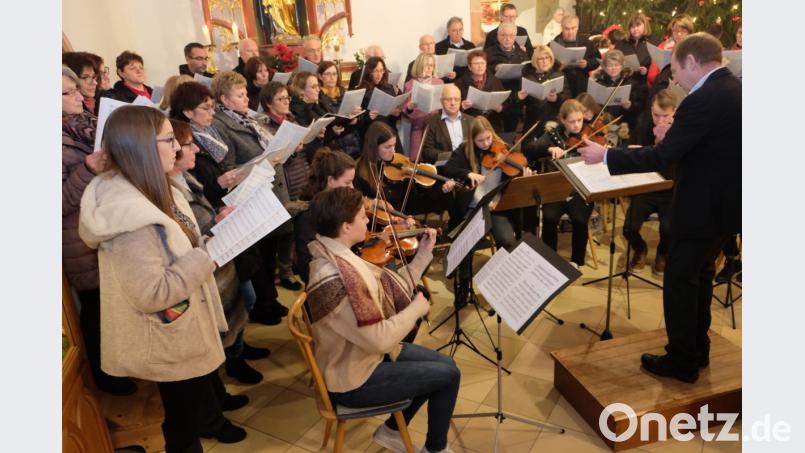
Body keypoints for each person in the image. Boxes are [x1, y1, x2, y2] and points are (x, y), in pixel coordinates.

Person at [79, 106, 246, 452]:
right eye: (170, 139)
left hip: (185, 323)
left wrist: (210, 240)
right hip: (168, 333)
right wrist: (207, 255)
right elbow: (152, 293)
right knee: (182, 426)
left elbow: (182, 242)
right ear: (141, 147)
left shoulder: (156, 186)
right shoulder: (128, 215)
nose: (180, 148)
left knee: (186, 412)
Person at [578, 33, 741, 383]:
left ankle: (681, 360)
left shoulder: (703, 98)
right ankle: (698, 348)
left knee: (680, 279)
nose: (674, 77)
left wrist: (605, 155)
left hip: (702, 206)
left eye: (677, 68)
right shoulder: (736, 89)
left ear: (692, 62)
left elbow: (662, 156)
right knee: (700, 274)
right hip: (727, 206)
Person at [305, 186, 460, 453]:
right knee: (447, 375)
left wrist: (423, 254)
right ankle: (435, 449)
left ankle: (391, 432)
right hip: (353, 378)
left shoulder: (339, 255)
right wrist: (416, 309)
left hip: (364, 356)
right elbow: (379, 340)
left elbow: (391, 286)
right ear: (345, 227)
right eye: (362, 217)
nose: (369, 220)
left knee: (445, 366)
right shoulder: (337, 278)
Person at [170, 81, 291, 330]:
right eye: (205, 108)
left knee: (253, 264)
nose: (211, 113)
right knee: (238, 279)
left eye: (211, 107)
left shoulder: (210, 132)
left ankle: (259, 309)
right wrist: (220, 182)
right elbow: (199, 182)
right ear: (187, 111)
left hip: (229, 201)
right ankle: (245, 329)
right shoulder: (185, 137)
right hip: (214, 213)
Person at [167, 119, 270, 386]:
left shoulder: (185, 177)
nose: (196, 150)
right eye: (189, 145)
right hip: (206, 266)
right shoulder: (169, 190)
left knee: (243, 301)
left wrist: (221, 215)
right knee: (224, 318)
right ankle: (230, 365)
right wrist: (216, 222)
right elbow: (189, 234)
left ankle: (238, 350)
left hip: (221, 259)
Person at [62, 65, 136, 396]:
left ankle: (124, 363)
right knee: (96, 309)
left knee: (115, 303)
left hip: (105, 223)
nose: (80, 95)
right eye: (68, 93)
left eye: (77, 89)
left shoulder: (83, 125)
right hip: (78, 236)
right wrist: (89, 168)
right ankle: (106, 377)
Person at [210, 71, 306, 321]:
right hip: (251, 193)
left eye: (245, 94)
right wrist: (261, 164)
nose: (246, 100)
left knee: (270, 249)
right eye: (240, 96)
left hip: (270, 186)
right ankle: (263, 305)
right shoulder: (221, 124)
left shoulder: (248, 118)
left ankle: (270, 299)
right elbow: (228, 165)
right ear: (224, 99)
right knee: (260, 255)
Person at [442, 116, 536, 305]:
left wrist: (524, 173)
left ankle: (504, 282)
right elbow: (448, 168)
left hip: (498, 207)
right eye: (480, 140)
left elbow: (516, 174)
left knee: (508, 241)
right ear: (472, 139)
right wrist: (467, 173)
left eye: (488, 138)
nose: (485, 143)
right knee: (466, 243)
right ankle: (464, 285)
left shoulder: (504, 148)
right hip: (474, 207)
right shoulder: (464, 151)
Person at [527, 99, 595, 268]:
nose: (577, 125)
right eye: (572, 121)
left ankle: (577, 260)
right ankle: (550, 259)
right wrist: (548, 149)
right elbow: (530, 149)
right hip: (555, 190)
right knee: (549, 218)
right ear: (563, 120)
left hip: (580, 190)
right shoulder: (552, 135)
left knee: (580, 219)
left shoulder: (590, 134)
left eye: (580, 120)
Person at [622, 89, 678, 276]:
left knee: (669, 228)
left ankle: (663, 253)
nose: (660, 120)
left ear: (674, 112)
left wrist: (664, 145)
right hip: (645, 188)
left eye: (665, 116)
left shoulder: (681, 132)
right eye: (656, 115)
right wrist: (634, 153)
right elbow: (627, 154)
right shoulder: (642, 129)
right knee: (629, 227)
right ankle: (640, 249)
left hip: (671, 189)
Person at [354, 121, 457, 220]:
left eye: (394, 145)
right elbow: (358, 210)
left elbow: (414, 205)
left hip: (402, 223)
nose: (393, 151)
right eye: (387, 147)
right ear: (373, 147)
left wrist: (440, 190)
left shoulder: (400, 164)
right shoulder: (358, 171)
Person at [295, 148, 356, 284]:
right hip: (326, 280)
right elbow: (307, 269)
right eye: (347, 182)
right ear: (330, 181)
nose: (352, 187)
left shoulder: (338, 203)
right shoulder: (308, 216)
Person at [518, 44, 571, 138]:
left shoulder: (559, 75)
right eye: (541, 59)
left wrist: (556, 98)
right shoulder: (528, 77)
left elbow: (568, 99)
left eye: (547, 58)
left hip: (553, 120)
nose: (545, 61)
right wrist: (520, 98)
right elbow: (520, 104)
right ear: (535, 60)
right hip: (533, 121)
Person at [485, 22, 529, 136]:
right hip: (497, 95)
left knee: (510, 132)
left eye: (510, 35)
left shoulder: (522, 54)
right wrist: (494, 68)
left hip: (515, 97)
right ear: (498, 36)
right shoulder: (489, 53)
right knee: (495, 132)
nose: (507, 38)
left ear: (515, 37)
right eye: (504, 35)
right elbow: (482, 72)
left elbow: (528, 73)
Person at [589, 49, 648, 130]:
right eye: (610, 65)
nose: (613, 68)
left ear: (622, 66)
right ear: (605, 67)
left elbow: (641, 105)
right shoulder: (599, 83)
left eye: (616, 65)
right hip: (603, 124)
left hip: (625, 124)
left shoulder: (632, 83)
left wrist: (630, 105)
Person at [402, 53, 445, 159]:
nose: (430, 68)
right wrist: (410, 108)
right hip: (419, 128)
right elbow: (405, 110)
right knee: (417, 160)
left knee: (436, 160)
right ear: (419, 66)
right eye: (427, 65)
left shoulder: (439, 82)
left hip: (436, 128)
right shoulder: (410, 84)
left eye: (432, 65)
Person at [317, 61, 363, 156]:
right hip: (333, 144)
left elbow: (351, 114)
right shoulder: (318, 96)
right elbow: (324, 120)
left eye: (334, 74)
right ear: (320, 77)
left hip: (352, 140)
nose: (332, 77)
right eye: (328, 74)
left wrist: (355, 118)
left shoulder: (342, 91)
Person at [455, 50, 506, 133]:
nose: (480, 66)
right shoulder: (460, 83)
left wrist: (500, 108)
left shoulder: (495, 81)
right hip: (471, 124)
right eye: (476, 64)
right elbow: (454, 107)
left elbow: (505, 103)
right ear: (469, 67)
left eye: (482, 63)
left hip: (492, 123)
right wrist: (462, 106)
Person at [422, 84, 474, 164]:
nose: (453, 103)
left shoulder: (471, 121)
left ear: (460, 101)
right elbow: (427, 151)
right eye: (449, 99)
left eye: (456, 99)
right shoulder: (430, 123)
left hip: (468, 166)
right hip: (443, 169)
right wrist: (450, 156)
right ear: (441, 101)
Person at [553, 15, 600, 97]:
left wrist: (587, 63)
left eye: (573, 28)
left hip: (581, 83)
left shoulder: (586, 42)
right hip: (562, 83)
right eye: (567, 29)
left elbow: (597, 59)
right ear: (562, 28)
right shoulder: (554, 44)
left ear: (577, 28)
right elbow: (546, 65)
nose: (570, 32)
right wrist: (558, 67)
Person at [650, 14, 694, 98]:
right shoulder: (663, 46)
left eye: (683, 31)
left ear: (689, 32)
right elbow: (651, 76)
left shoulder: (695, 49)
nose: (679, 34)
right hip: (663, 84)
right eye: (676, 31)